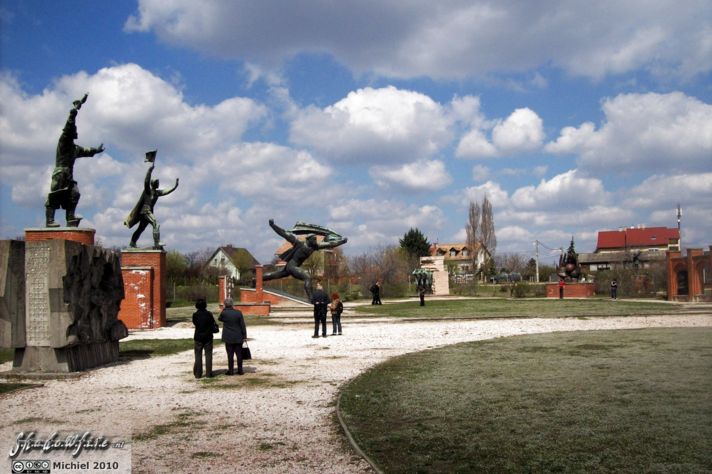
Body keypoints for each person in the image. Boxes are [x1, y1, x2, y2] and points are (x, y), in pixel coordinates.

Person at [45, 93, 105, 227]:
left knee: (74, 194)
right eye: (73, 132)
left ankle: (70, 218)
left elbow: (86, 151)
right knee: (55, 195)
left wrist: (97, 150)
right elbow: (68, 127)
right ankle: (49, 221)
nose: (74, 133)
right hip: (60, 173)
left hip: (69, 176)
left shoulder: (74, 148)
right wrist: (74, 112)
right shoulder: (64, 142)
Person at [262, 219, 347, 300]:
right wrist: (273, 225)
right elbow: (284, 233)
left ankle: (256, 280)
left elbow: (330, 243)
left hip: (292, 266)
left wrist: (341, 242)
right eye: (314, 239)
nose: (315, 241)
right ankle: (311, 298)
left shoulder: (314, 247)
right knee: (307, 278)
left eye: (315, 239)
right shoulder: (298, 243)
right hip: (292, 266)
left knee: (276, 275)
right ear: (308, 240)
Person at [124, 158, 179, 249]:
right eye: (157, 182)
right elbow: (146, 181)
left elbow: (166, 191)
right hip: (145, 211)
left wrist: (175, 186)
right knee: (155, 224)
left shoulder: (157, 193)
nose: (159, 183)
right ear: (153, 183)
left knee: (141, 229)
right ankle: (157, 242)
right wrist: (150, 171)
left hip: (148, 212)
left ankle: (132, 242)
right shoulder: (148, 191)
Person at [218, 298, 247, 375]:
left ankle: (230, 371)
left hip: (228, 336)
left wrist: (224, 310)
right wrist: (244, 336)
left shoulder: (224, 313)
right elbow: (242, 325)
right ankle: (240, 370)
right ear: (232, 304)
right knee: (239, 354)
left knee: (230, 355)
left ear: (225, 305)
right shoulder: (238, 313)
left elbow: (219, 319)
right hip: (238, 336)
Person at [192, 298, 217, 378]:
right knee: (208, 355)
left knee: (198, 355)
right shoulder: (209, 314)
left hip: (198, 337)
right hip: (208, 336)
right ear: (205, 305)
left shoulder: (195, 315)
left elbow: (195, 324)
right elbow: (212, 323)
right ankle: (208, 373)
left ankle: (198, 374)